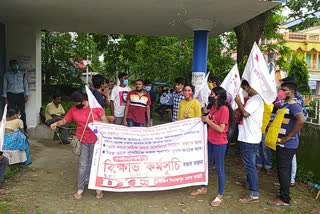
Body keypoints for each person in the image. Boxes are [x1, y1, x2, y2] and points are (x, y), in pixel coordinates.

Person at [50, 91, 114, 199]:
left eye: (77, 103)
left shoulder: (96, 108)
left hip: (96, 141)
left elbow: (105, 122)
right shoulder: (74, 109)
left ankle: (98, 189)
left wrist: (99, 123)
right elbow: (65, 120)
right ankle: (80, 189)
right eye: (74, 103)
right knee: (83, 165)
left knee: (96, 164)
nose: (75, 105)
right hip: (82, 140)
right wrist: (56, 123)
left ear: (83, 101)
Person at [190, 87, 234, 207]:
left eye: (212, 94)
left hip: (219, 142)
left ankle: (220, 195)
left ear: (218, 96)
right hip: (209, 140)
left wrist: (208, 121)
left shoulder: (224, 109)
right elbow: (209, 120)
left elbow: (220, 129)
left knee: (219, 168)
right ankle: (203, 188)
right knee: (206, 165)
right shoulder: (213, 107)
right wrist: (205, 114)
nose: (210, 95)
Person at [267, 81, 305, 207]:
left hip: (287, 144)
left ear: (292, 92)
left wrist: (289, 137)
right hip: (281, 143)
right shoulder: (286, 104)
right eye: (281, 89)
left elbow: (301, 120)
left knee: (283, 170)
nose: (281, 92)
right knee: (283, 170)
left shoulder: (294, 105)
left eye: (284, 90)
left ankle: (284, 200)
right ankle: (283, 193)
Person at [234, 80, 264, 203]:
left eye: (244, 88)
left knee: (250, 165)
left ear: (248, 87)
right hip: (250, 137)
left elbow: (245, 113)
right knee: (251, 163)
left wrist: (239, 102)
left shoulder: (255, 99)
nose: (245, 91)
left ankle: (254, 193)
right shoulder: (256, 99)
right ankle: (249, 183)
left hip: (250, 138)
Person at [3, 60, 30, 132]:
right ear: (10, 66)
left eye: (16, 64)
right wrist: (5, 97)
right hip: (10, 95)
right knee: (12, 112)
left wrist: (26, 95)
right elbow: (5, 87)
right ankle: (14, 129)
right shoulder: (7, 75)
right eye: (14, 64)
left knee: (22, 112)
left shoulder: (22, 74)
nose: (15, 65)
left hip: (20, 95)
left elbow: (25, 85)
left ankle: (24, 129)